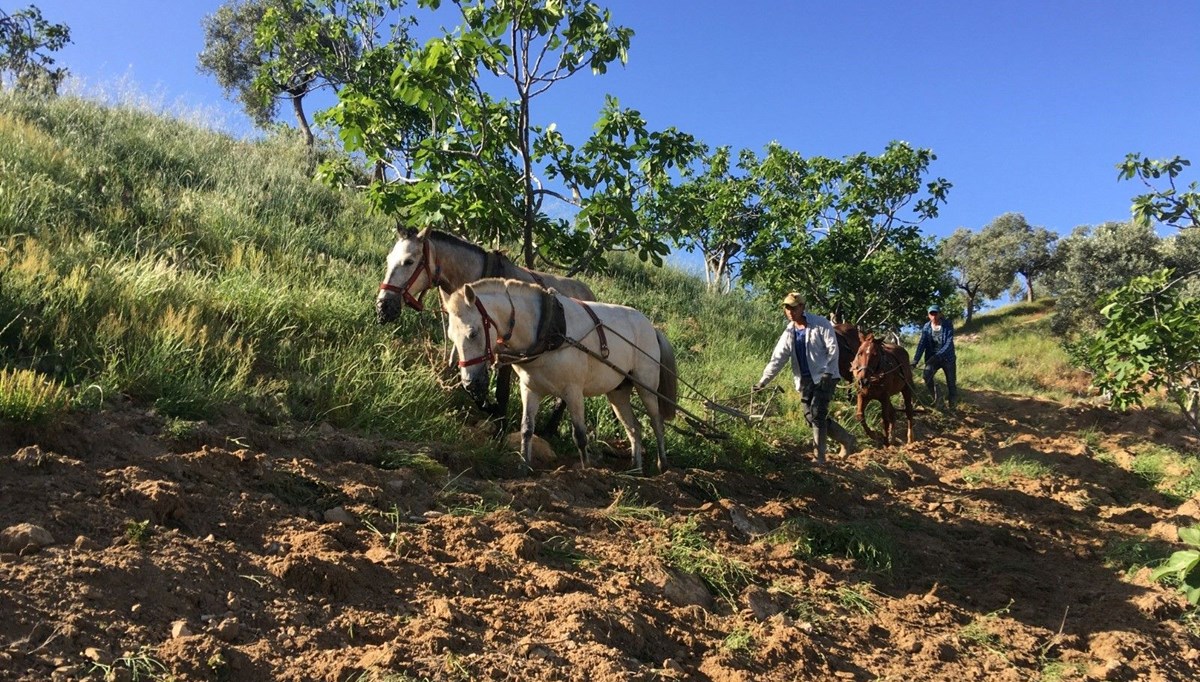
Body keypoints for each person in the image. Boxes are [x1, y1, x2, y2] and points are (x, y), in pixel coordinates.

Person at [754, 292, 858, 464]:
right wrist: (762, 381)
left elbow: (833, 350)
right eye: (787, 308)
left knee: (818, 413)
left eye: (794, 308)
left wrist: (828, 372)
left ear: (802, 307)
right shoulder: (789, 331)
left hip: (825, 376)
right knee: (810, 416)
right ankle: (846, 438)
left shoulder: (821, 324)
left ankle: (820, 459)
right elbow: (778, 358)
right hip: (805, 380)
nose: (790, 312)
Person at [912, 303, 957, 410]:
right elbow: (922, 344)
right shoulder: (926, 327)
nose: (934, 316)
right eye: (931, 314)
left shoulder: (947, 325)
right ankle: (937, 399)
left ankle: (953, 405)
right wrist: (915, 360)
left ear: (940, 314)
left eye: (936, 313)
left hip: (947, 358)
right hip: (932, 358)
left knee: (951, 382)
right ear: (928, 315)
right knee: (927, 376)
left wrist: (938, 355)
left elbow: (948, 343)